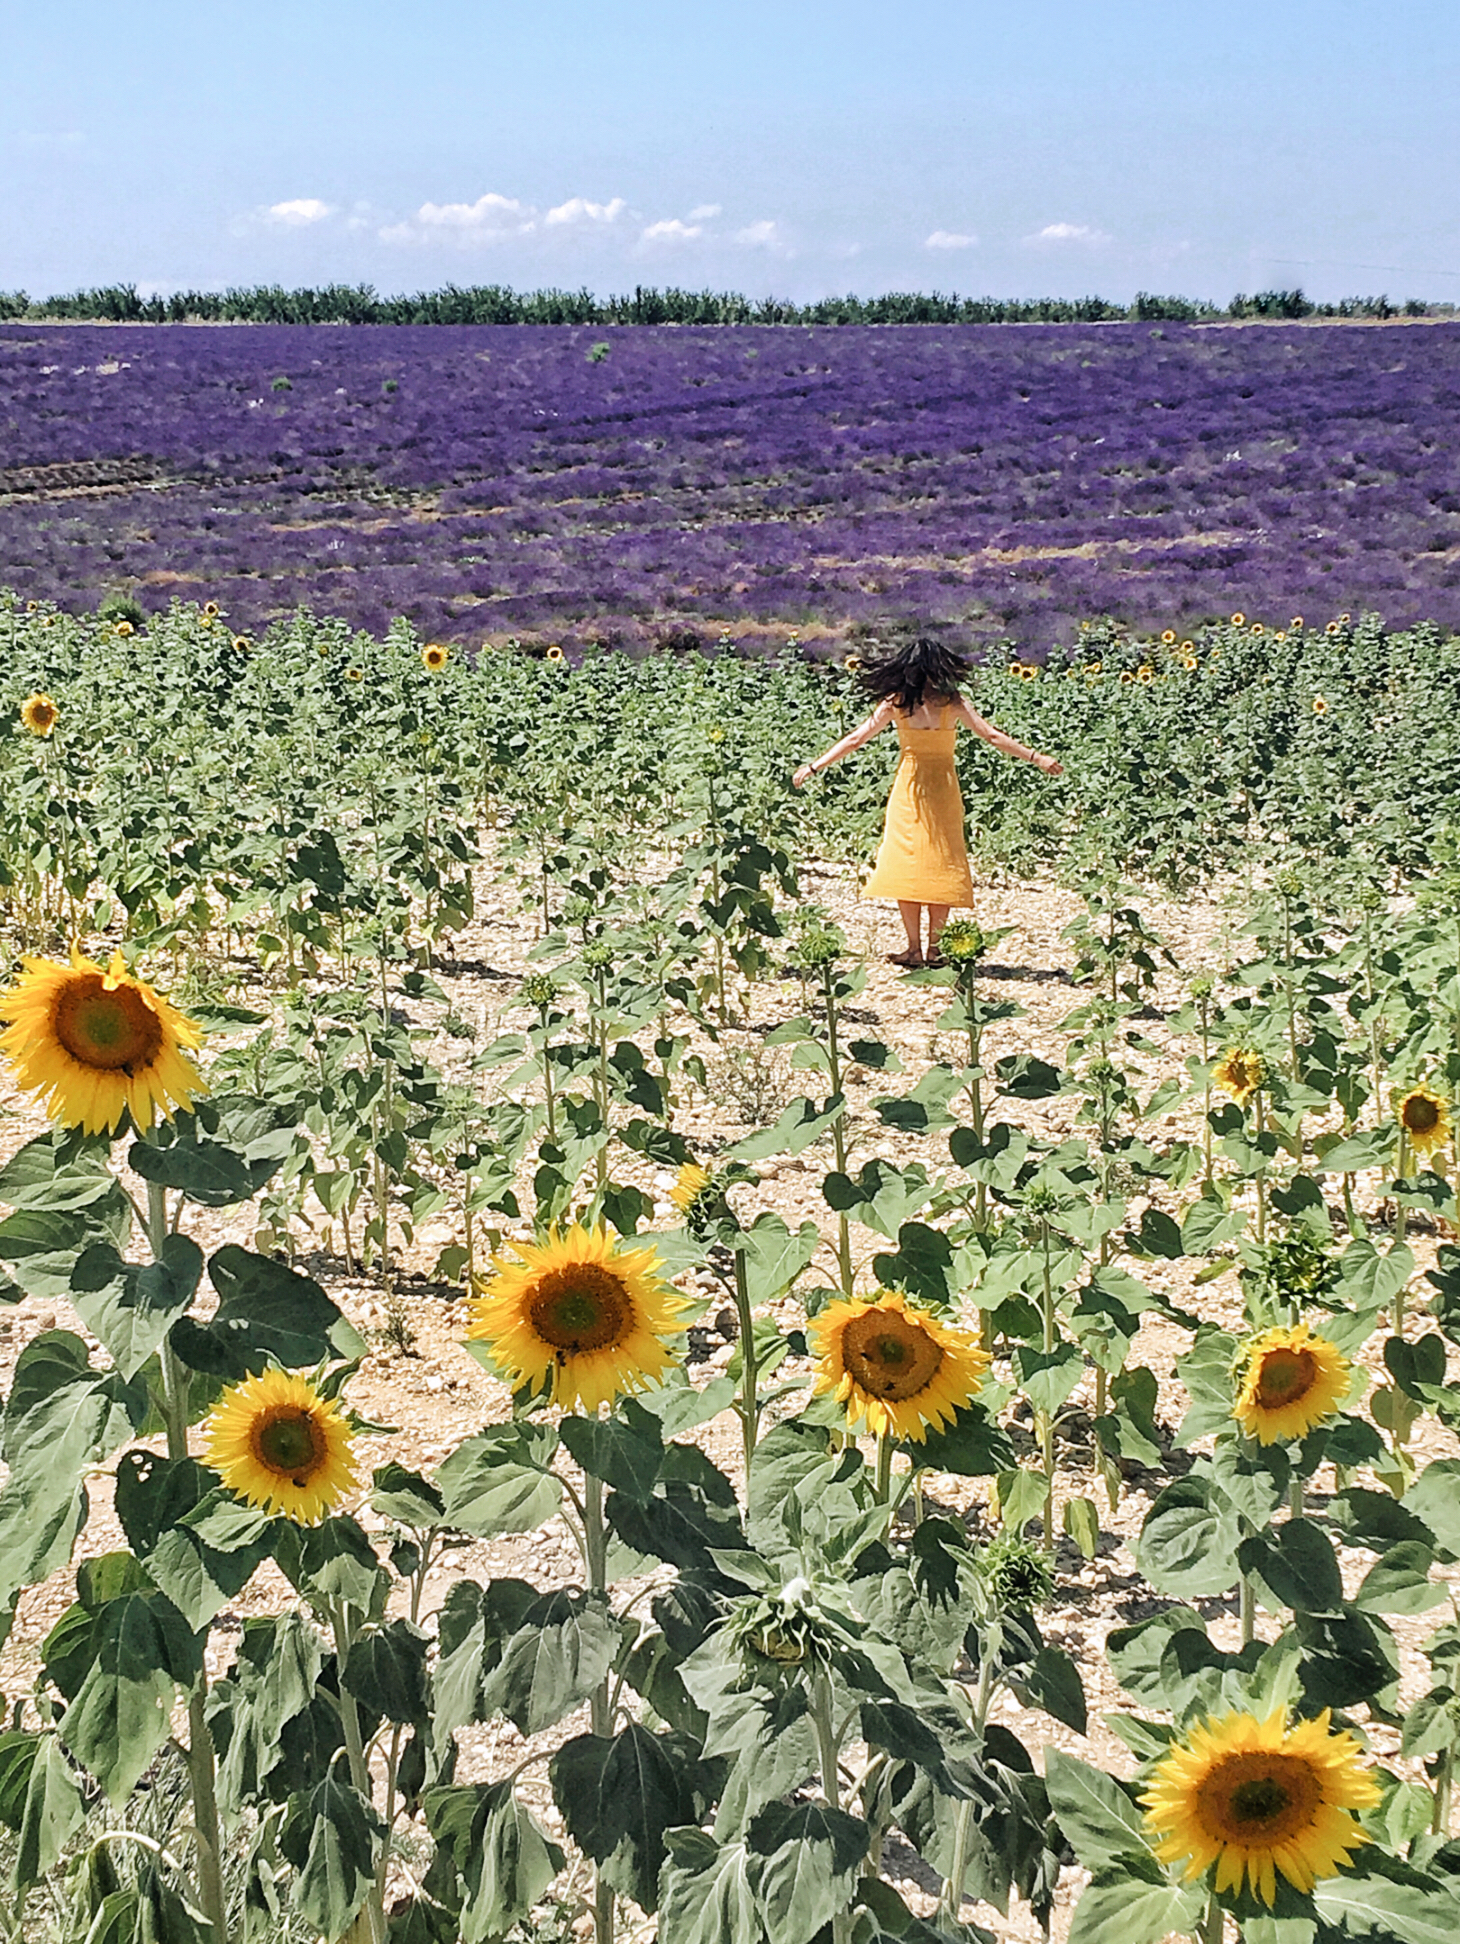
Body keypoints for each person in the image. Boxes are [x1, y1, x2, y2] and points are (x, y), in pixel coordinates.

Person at [792, 637, 1063, 967]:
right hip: (944, 787)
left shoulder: (897, 701)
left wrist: (814, 765)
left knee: (906, 861)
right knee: (941, 860)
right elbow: (991, 735)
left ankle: (913, 948)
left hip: (910, 785)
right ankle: (936, 949)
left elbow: (855, 738)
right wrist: (1037, 757)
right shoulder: (952, 701)